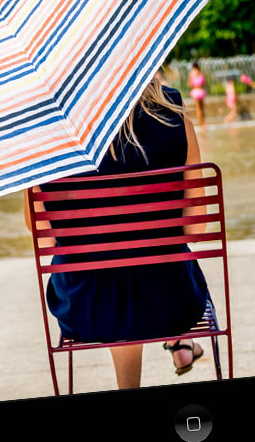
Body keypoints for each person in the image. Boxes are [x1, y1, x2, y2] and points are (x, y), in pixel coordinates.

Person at [24, 77, 211, 389]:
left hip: (87, 307)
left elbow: (44, 239)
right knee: (151, 270)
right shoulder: (174, 111)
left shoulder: (50, 128)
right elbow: (195, 227)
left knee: (114, 279)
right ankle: (179, 342)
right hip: (171, 301)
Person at [188, 62, 207, 128]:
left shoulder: (191, 74)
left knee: (198, 109)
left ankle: (200, 124)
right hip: (201, 91)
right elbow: (204, 83)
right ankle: (204, 123)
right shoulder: (201, 73)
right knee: (202, 108)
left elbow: (190, 84)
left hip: (195, 91)